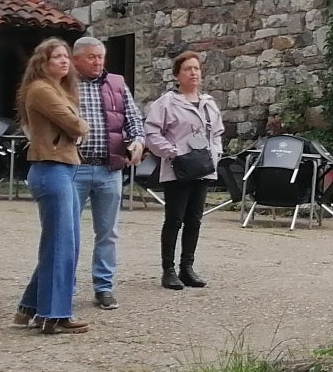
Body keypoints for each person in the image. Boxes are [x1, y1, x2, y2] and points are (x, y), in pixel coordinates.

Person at [64, 35, 145, 309]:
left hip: (109, 169)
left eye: (101, 57)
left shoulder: (117, 84)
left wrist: (137, 141)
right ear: (76, 59)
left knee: (108, 232)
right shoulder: (63, 83)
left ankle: (104, 287)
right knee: (68, 232)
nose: (98, 62)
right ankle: (66, 287)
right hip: (73, 168)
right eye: (91, 57)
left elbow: (134, 120)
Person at [14, 37, 88, 335]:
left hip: (63, 167)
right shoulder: (41, 89)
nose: (64, 61)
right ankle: (53, 315)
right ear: (42, 62)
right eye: (57, 57)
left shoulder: (58, 89)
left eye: (66, 57)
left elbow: (74, 123)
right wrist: (79, 125)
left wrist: (77, 123)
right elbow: (76, 126)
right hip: (51, 168)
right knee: (61, 245)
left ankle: (29, 308)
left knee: (65, 243)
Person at [144, 51, 225, 290]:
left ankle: (187, 267)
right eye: (188, 69)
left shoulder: (209, 103)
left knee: (195, 220)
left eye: (196, 69)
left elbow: (218, 133)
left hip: (202, 168)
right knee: (174, 219)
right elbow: (152, 133)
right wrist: (173, 153)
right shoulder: (166, 103)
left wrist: (215, 155)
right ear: (177, 74)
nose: (193, 73)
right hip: (178, 169)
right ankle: (168, 270)